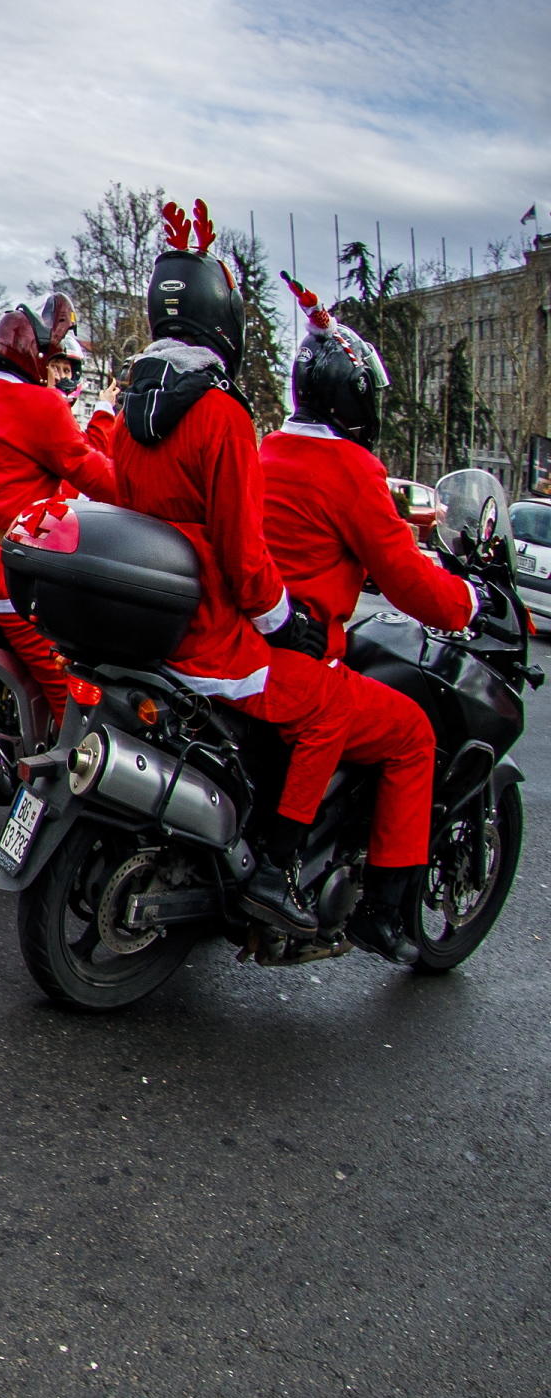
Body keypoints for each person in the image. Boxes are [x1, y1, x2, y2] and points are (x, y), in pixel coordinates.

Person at [99, 201, 421, 940]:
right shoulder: (222, 415)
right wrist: (290, 622)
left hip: (151, 625)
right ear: (225, 316)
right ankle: (275, 869)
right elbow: (246, 564)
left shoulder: (131, 409)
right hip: (214, 635)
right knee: (332, 705)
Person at [256, 279, 461, 961]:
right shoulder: (350, 467)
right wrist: (467, 603)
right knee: (411, 734)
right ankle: (382, 908)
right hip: (303, 655)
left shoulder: (267, 450)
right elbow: (405, 577)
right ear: (355, 399)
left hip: (249, 640)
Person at [0, 293, 115, 726]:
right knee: (68, 682)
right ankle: (63, 780)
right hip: (5, 572)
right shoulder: (42, 405)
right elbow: (94, 474)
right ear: (35, 355)